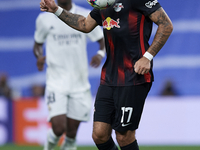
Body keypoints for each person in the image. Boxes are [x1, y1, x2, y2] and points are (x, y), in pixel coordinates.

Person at [39, 0, 173, 149]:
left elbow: (166, 24)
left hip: (134, 76)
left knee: (124, 136)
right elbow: (84, 24)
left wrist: (147, 57)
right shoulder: (102, 5)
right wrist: (56, 10)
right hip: (109, 77)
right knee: (99, 135)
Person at [33, 0, 105, 150]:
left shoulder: (85, 15)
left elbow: (102, 40)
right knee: (58, 129)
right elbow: (37, 44)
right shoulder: (44, 19)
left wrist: (99, 54)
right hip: (56, 81)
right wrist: (39, 57)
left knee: (71, 133)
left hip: (79, 83)